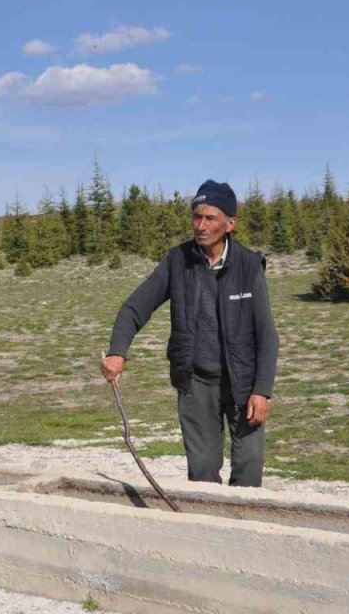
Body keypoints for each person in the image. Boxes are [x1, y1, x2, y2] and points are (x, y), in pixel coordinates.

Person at [101, 180, 278, 487]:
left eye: (210, 218)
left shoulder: (249, 266)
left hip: (244, 382)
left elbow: (267, 335)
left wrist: (261, 391)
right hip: (195, 383)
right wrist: (118, 351)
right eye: (197, 217)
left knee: (249, 472)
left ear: (229, 224)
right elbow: (134, 308)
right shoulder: (177, 261)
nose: (201, 225)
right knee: (202, 473)